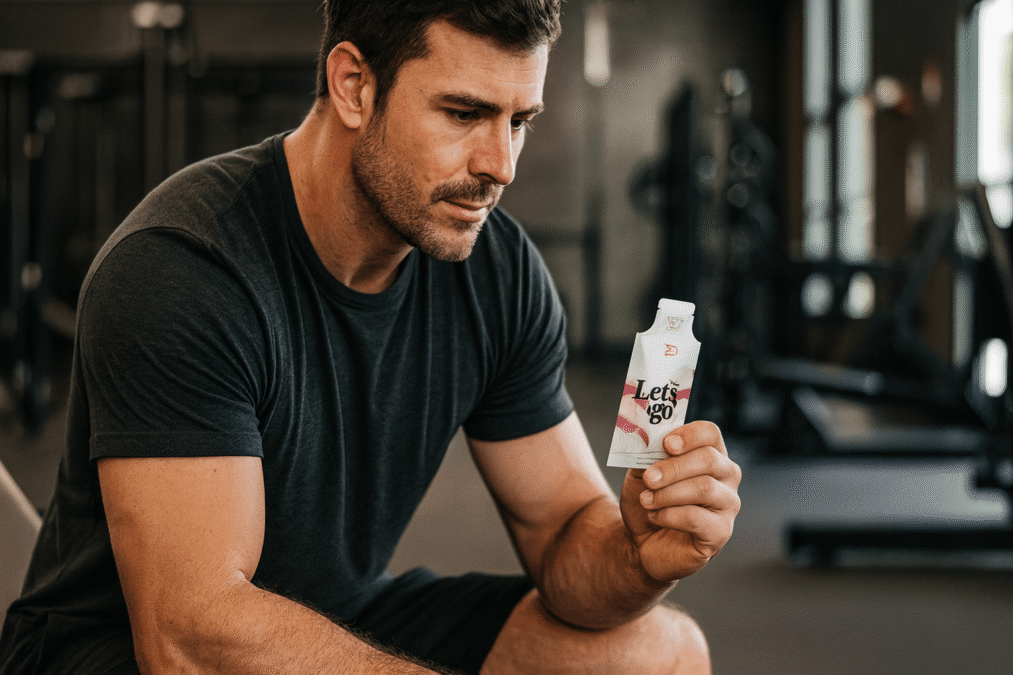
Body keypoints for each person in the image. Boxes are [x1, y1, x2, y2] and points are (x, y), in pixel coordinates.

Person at [0, 2, 741, 673]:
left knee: (660, 651)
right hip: (116, 650)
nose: (500, 165)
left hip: (332, 611)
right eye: (462, 113)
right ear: (353, 84)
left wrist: (638, 555)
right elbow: (192, 635)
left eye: (518, 120)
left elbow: (563, 534)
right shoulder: (183, 268)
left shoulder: (496, 271)